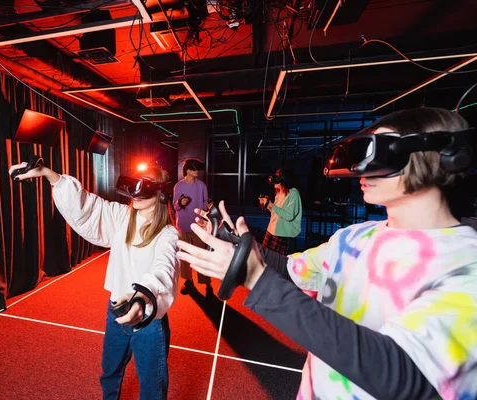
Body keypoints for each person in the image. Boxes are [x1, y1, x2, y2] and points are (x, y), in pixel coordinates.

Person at [175, 108, 477, 400]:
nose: (361, 168)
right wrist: (240, 246)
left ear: (437, 157)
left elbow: (399, 374)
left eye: (377, 153)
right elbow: (291, 270)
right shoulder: (354, 235)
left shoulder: (466, 265)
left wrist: (257, 278)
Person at [8, 163, 180, 400]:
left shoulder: (168, 234)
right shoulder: (123, 218)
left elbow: (164, 266)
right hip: (116, 311)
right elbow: (89, 207)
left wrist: (143, 296)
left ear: (161, 193)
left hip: (149, 319)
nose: (135, 192)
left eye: (145, 184)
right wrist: (51, 176)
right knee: (109, 372)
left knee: (152, 387)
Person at [173, 158, 212, 295]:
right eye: (194, 169)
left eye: (197, 169)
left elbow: (205, 202)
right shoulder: (178, 186)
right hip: (183, 225)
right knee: (185, 256)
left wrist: (208, 208)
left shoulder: (202, 186)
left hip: (199, 225)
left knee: (202, 255)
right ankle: (188, 281)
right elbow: (175, 207)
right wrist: (180, 203)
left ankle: (207, 283)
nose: (197, 172)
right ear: (188, 170)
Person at [259, 167, 302, 255]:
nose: (274, 180)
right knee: (264, 259)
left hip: (283, 236)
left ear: (283, 179)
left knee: (278, 265)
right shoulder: (279, 193)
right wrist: (266, 205)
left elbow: (289, 216)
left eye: (277, 177)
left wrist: (271, 205)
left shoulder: (293, 193)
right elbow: (276, 213)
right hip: (271, 231)